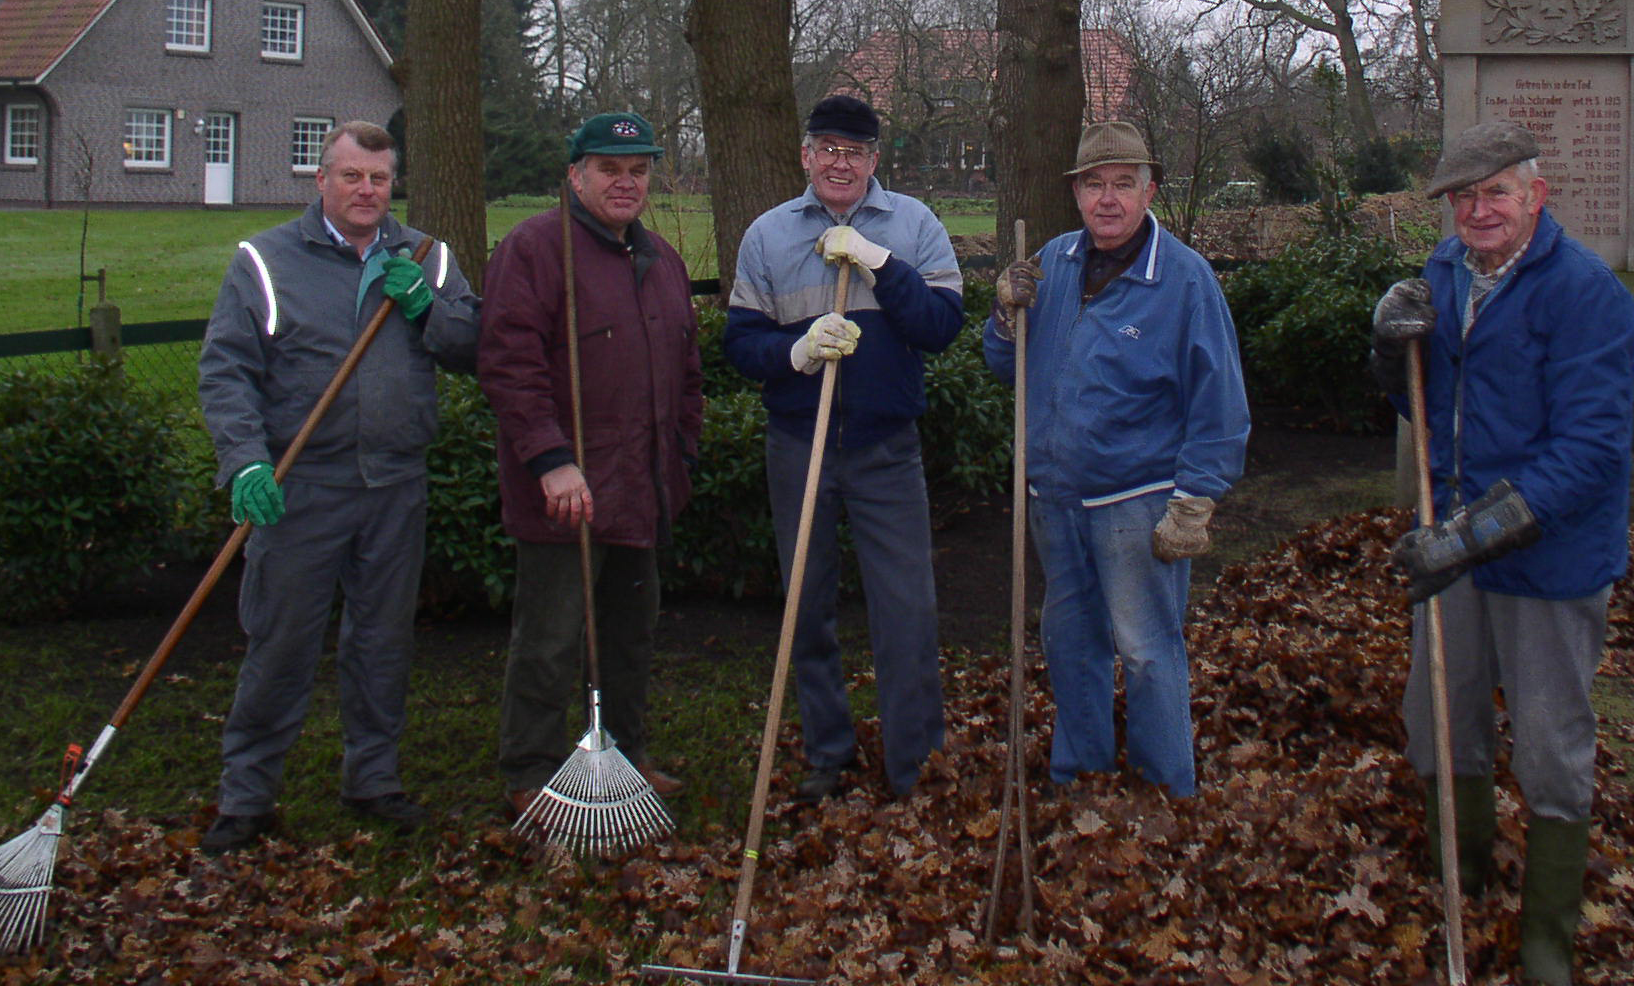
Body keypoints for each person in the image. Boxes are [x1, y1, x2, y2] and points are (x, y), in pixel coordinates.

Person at [1368, 120, 1634, 986]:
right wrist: (1386, 350)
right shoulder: (1445, 276)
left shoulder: (1587, 294)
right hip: (1453, 544)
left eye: (1495, 193)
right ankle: (1467, 879)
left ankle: (1548, 939)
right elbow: (1420, 403)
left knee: (1552, 744)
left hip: (1550, 560)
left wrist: (1475, 534)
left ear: (1535, 197)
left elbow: (1594, 451)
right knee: (1438, 722)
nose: (1478, 211)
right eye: (1462, 197)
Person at [197, 120, 479, 854]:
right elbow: (226, 370)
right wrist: (246, 461)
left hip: (394, 484)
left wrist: (427, 310)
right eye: (351, 176)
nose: (366, 191)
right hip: (301, 487)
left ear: (394, 185)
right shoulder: (264, 261)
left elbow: (475, 346)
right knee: (281, 642)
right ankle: (247, 795)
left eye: (379, 179)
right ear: (320, 180)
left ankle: (373, 779)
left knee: (382, 641)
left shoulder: (426, 256)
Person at [983, 120, 1250, 798]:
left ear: (1149, 189)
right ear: (1076, 192)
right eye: (1094, 185)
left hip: (1136, 503)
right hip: (1055, 498)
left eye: (1123, 185)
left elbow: (1220, 400)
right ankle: (1082, 777)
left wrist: (1196, 498)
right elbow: (1002, 367)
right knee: (1072, 644)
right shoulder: (1054, 261)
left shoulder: (1185, 280)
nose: (1108, 199)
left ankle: (1167, 790)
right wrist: (1004, 317)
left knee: (1147, 649)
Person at [723, 94, 965, 800]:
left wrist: (878, 263)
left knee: (907, 608)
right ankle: (828, 752)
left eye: (854, 151)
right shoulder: (767, 236)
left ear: (874, 162)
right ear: (805, 155)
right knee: (807, 603)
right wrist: (794, 350)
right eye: (827, 147)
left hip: (885, 447)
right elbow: (740, 342)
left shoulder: (914, 225)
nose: (839, 162)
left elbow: (938, 327)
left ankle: (914, 761)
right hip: (800, 443)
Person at [478, 111, 703, 812]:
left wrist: (683, 452)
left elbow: (687, 368)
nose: (625, 183)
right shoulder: (536, 250)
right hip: (566, 491)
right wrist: (549, 458)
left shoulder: (662, 259)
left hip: (643, 483)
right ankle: (531, 771)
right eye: (609, 169)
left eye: (638, 171)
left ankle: (625, 753)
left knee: (631, 634)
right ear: (576, 176)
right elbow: (508, 363)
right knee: (550, 637)